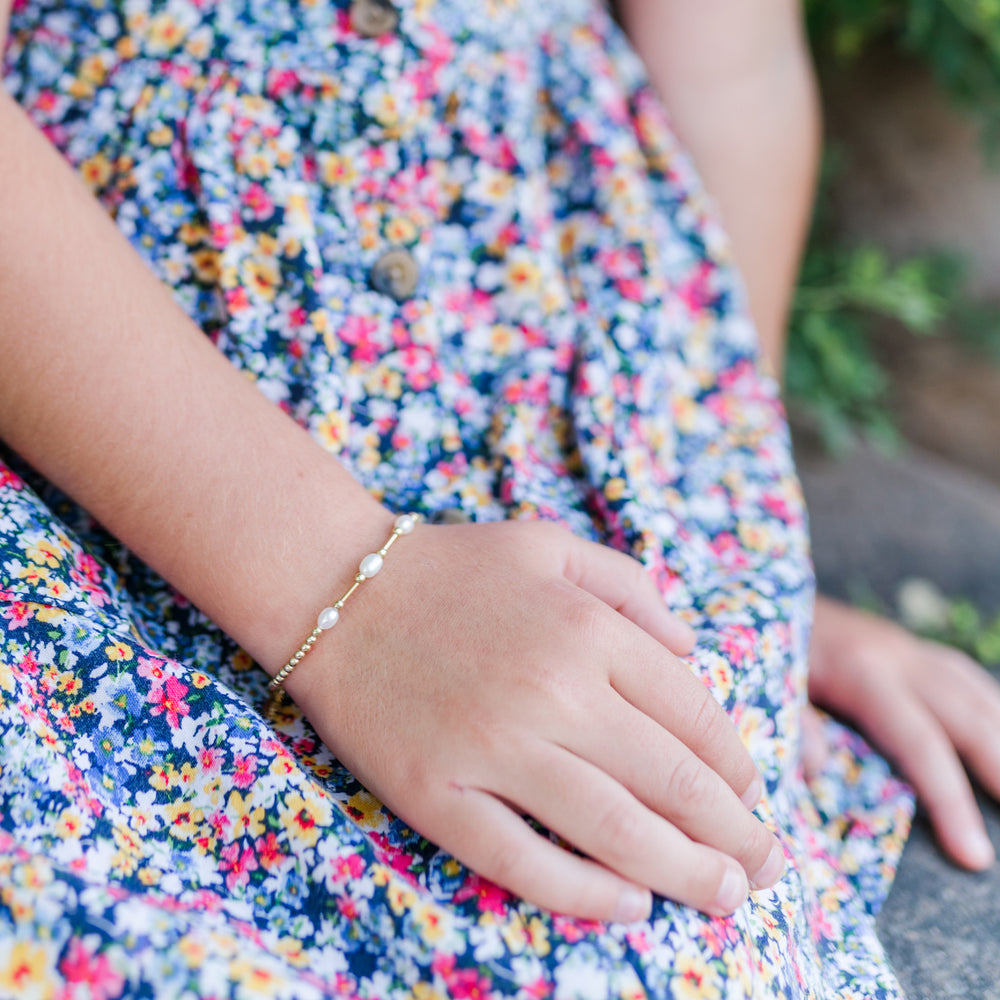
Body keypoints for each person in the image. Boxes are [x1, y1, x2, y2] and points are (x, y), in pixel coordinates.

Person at [1, 0, 999, 996]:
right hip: (100, 405)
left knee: (627, 893)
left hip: (553, 397)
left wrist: (744, 535)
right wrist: (346, 587)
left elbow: (729, 69)